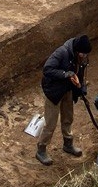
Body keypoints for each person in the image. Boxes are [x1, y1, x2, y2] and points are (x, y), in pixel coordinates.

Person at [35, 34, 90, 165]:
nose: (84, 57)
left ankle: (68, 144)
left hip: (67, 90)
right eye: (83, 54)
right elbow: (47, 69)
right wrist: (66, 74)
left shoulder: (81, 58)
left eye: (86, 54)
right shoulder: (61, 53)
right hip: (54, 92)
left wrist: (81, 89)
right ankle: (41, 149)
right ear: (76, 50)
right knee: (50, 123)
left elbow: (81, 75)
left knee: (68, 118)